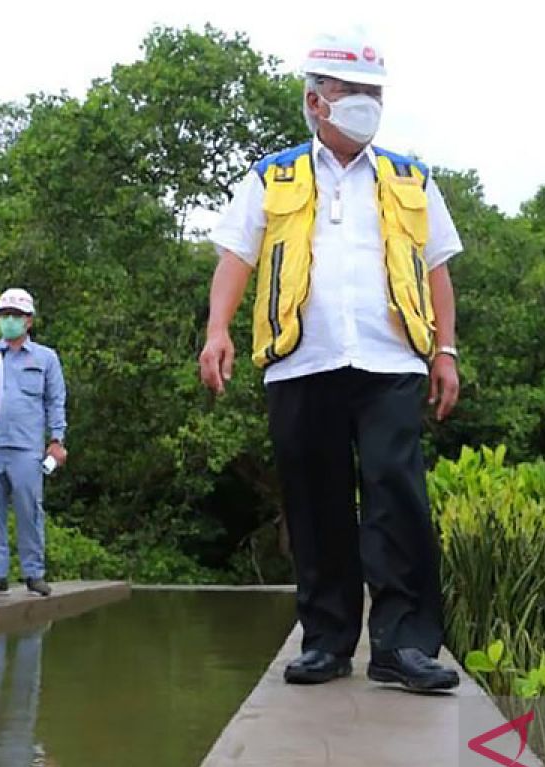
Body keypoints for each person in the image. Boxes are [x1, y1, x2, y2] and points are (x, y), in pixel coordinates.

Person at [198, 32, 463, 691]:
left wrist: (447, 351)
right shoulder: (274, 174)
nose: (364, 105)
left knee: (395, 496)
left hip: (390, 360)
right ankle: (326, 641)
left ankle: (404, 646)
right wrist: (217, 330)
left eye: (373, 94)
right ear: (316, 101)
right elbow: (237, 257)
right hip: (301, 360)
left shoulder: (410, 176)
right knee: (315, 503)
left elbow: (437, 270)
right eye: (350, 93)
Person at [0, 288, 67, 598]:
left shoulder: (46, 358)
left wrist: (57, 440)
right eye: (4, 316)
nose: (10, 321)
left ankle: (33, 573)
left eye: (16, 316)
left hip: (27, 449)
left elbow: (56, 401)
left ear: (29, 320)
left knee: (30, 511)